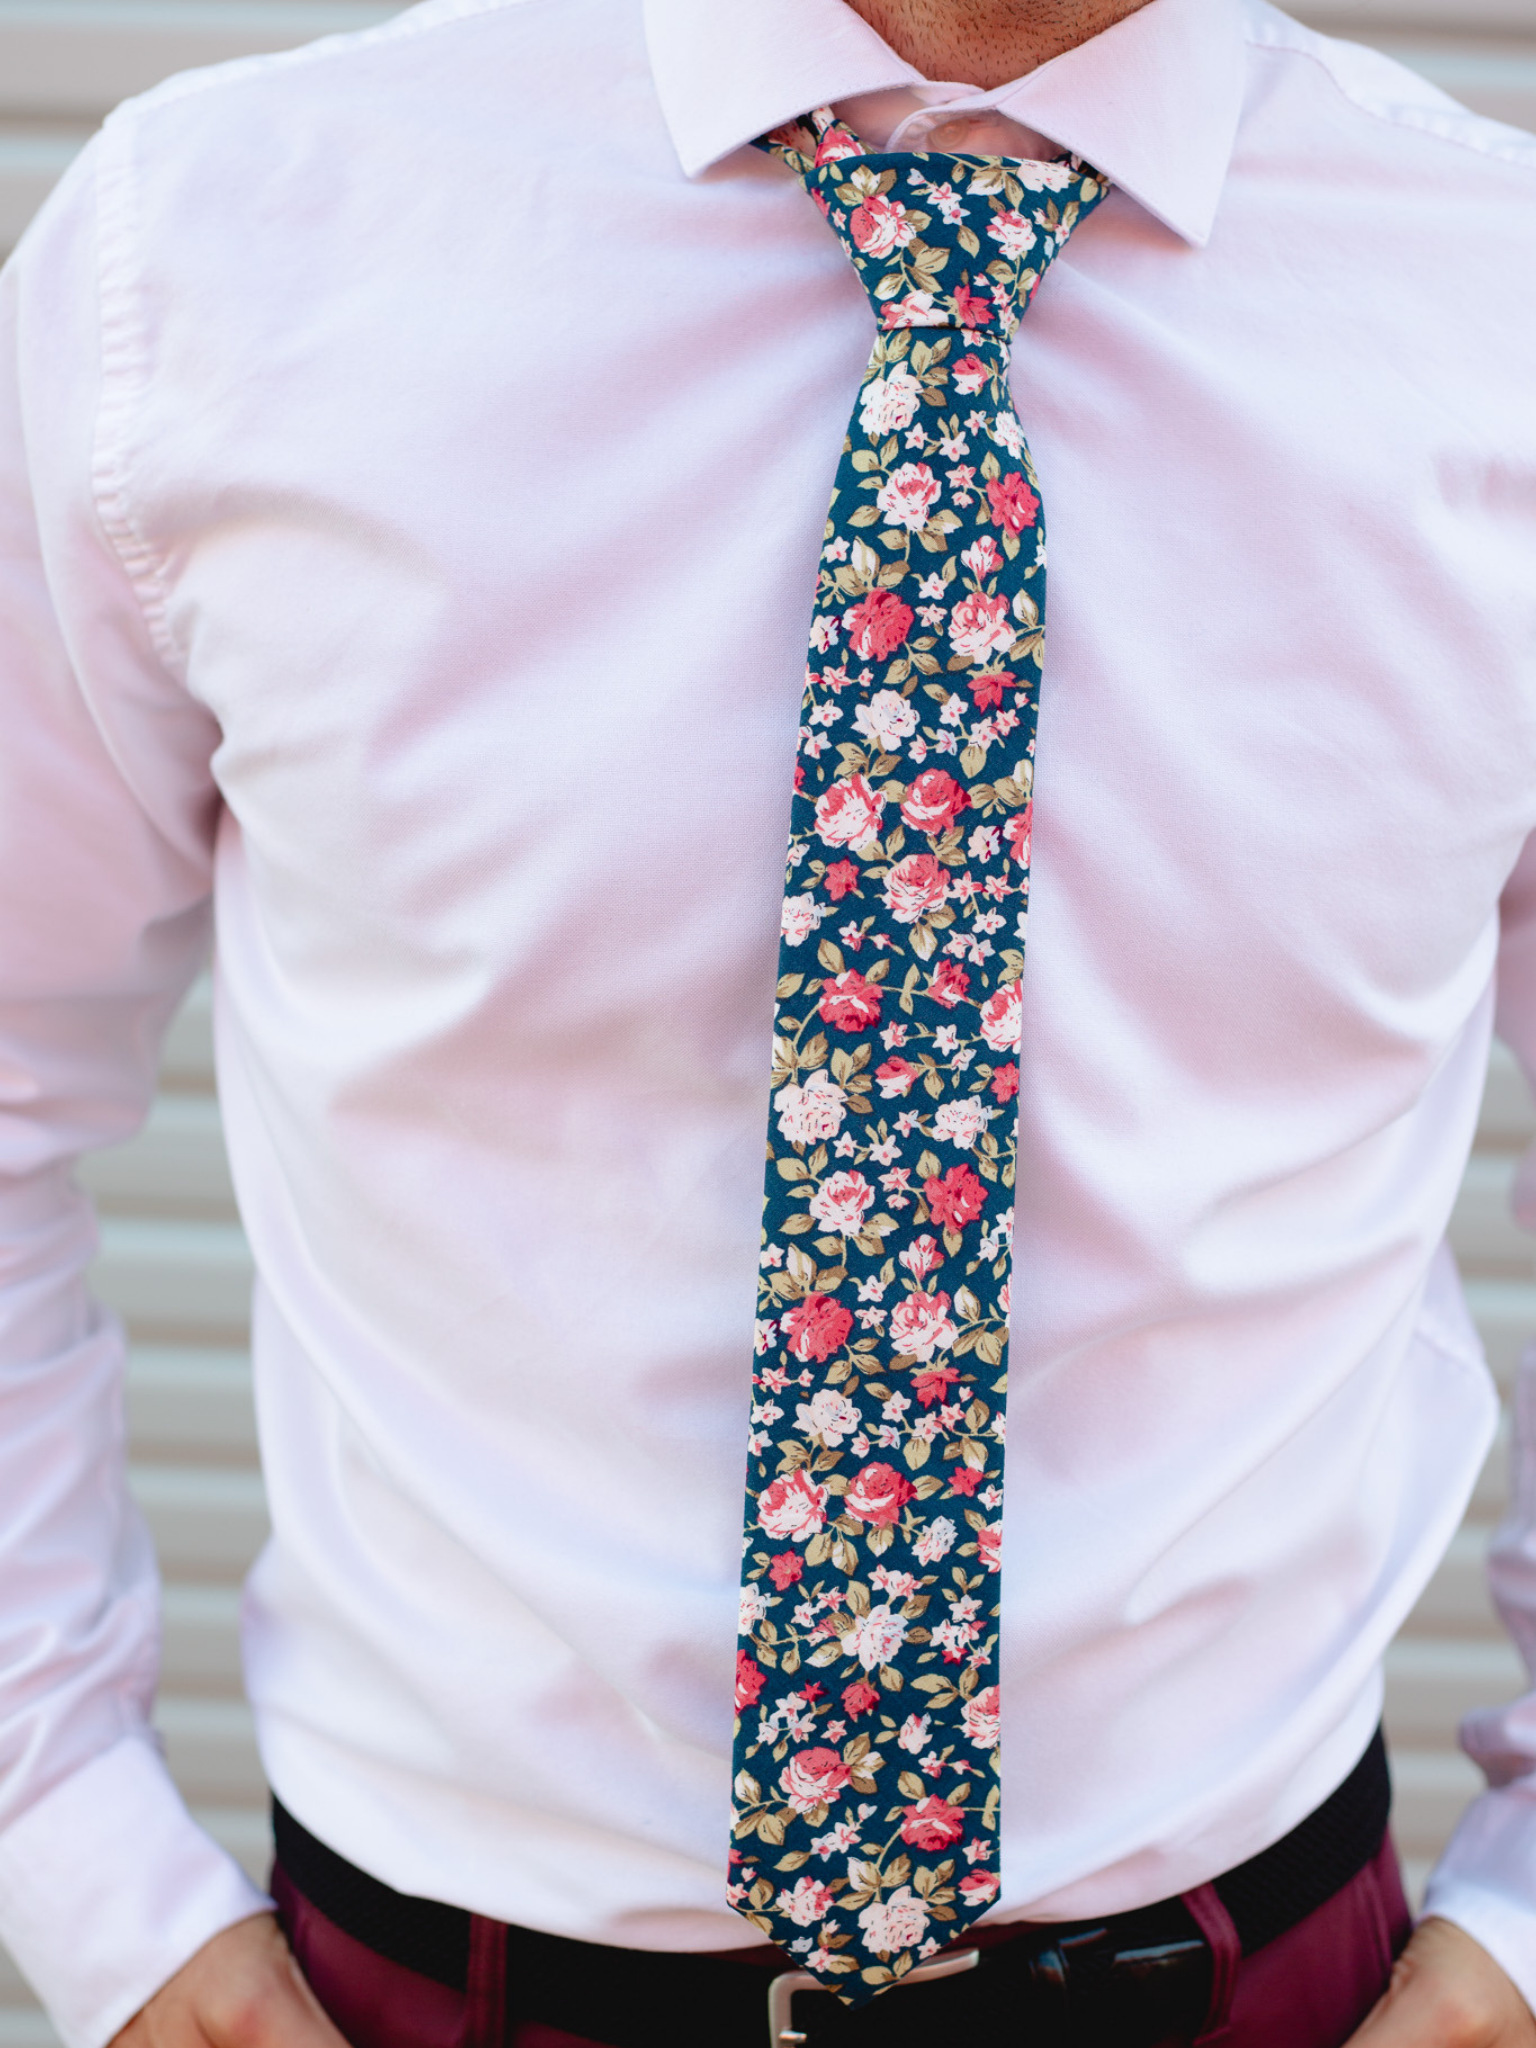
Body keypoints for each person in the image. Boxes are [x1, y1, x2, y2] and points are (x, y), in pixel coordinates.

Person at [0, 0, 1534, 2039]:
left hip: (1284, 1983)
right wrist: (96, 1887)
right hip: (411, 1994)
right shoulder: (213, 249)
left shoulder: (1490, 299)